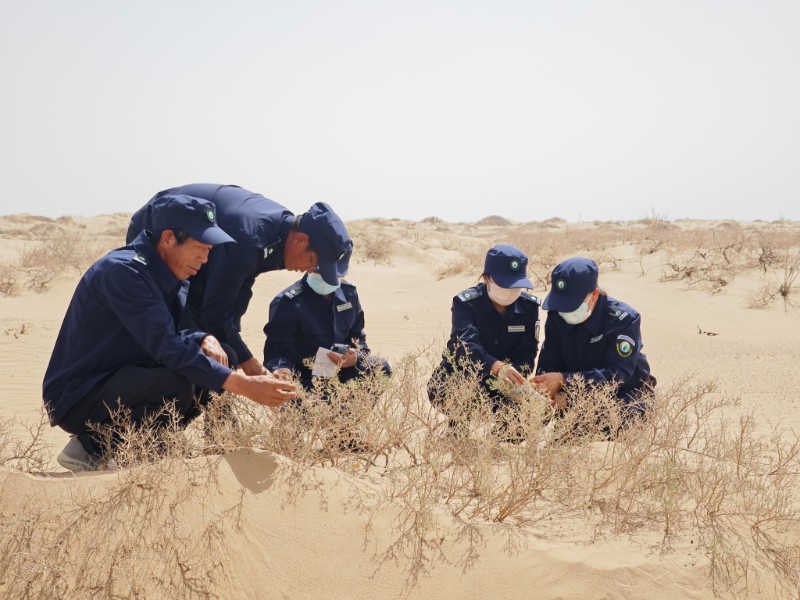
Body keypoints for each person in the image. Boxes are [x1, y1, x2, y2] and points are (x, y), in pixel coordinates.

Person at [44, 195, 298, 472]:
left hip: (124, 378)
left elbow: (171, 334)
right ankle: (92, 449)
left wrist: (203, 338)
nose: (205, 258)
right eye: (199, 247)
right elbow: (167, 346)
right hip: (79, 395)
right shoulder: (124, 272)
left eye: (209, 249)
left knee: (223, 355)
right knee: (176, 381)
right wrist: (246, 386)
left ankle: (145, 447)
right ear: (168, 238)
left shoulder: (173, 274)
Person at [127, 184, 352, 378]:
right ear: (302, 241)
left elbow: (241, 285)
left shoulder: (282, 235)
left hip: (206, 256)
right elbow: (215, 313)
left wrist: (234, 336)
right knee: (180, 330)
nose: (309, 270)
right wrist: (251, 366)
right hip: (163, 235)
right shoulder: (251, 237)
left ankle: (218, 406)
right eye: (314, 262)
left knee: (224, 343)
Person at [427, 245, 541, 430]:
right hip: (463, 378)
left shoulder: (528, 307)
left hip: (503, 385)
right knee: (453, 390)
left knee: (535, 410)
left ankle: (503, 442)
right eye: (504, 284)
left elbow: (528, 352)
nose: (510, 290)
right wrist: (495, 367)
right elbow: (465, 346)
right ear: (487, 278)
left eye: (516, 285)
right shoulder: (466, 303)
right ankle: (458, 430)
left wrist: (514, 377)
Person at [530, 257, 656, 422]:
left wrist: (563, 380)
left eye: (572, 305)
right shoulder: (557, 314)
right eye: (562, 304)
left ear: (594, 294)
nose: (565, 311)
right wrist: (548, 387)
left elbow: (618, 374)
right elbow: (550, 357)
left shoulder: (623, 320)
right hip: (575, 393)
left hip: (625, 396)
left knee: (603, 426)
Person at [263, 267, 391, 392]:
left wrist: (356, 356)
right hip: (305, 377)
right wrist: (282, 369)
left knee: (380, 367)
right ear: (308, 268)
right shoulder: (287, 303)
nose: (326, 279)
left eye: (331, 274)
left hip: (341, 371)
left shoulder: (349, 294)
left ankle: (353, 413)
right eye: (320, 274)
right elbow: (277, 350)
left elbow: (358, 338)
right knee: (314, 397)